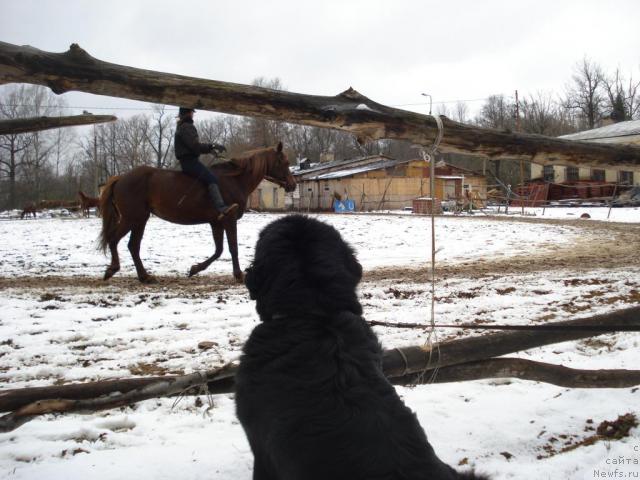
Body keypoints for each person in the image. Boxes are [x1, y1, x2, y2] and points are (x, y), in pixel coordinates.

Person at [174, 107, 238, 220]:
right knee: (212, 179)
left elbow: (193, 147)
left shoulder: (182, 126)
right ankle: (221, 208)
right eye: (192, 112)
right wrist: (212, 146)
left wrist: (211, 151)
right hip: (190, 162)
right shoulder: (187, 127)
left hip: (188, 161)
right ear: (189, 113)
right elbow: (195, 146)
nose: (193, 114)